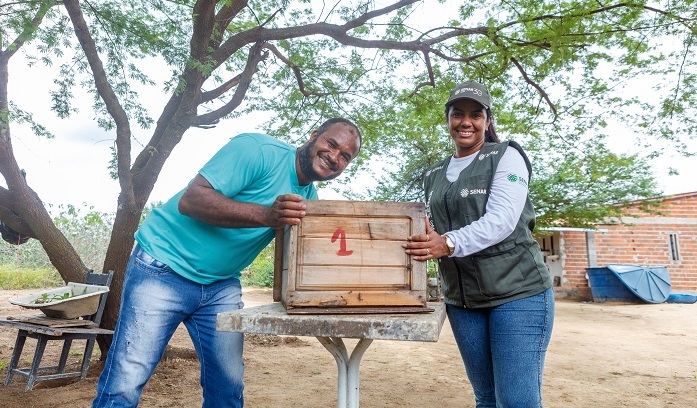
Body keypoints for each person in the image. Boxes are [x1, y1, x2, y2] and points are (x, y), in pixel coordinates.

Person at [92, 118, 362, 408]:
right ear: (314, 135)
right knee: (126, 379)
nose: (334, 157)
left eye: (345, 156)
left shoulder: (309, 199)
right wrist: (266, 216)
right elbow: (191, 200)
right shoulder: (257, 150)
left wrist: (415, 236)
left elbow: (328, 254)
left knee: (228, 387)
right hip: (162, 267)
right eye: (331, 144)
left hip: (220, 285)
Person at [403, 80, 554, 407]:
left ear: (488, 121)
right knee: (485, 398)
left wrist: (447, 243)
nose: (466, 122)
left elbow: (502, 220)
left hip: (517, 293)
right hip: (463, 301)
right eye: (458, 114)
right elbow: (429, 230)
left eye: (475, 114)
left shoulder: (506, 156)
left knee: (516, 401)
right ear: (448, 120)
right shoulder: (433, 176)